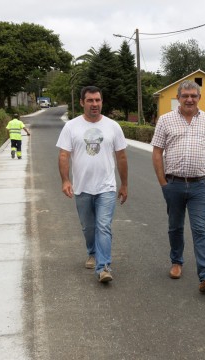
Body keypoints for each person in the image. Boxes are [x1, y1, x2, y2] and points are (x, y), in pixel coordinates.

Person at [151, 80, 205, 293]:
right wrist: (162, 182)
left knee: (200, 228)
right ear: (178, 98)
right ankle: (176, 262)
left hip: (200, 184)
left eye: (193, 95)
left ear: (199, 98)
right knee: (175, 226)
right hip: (173, 183)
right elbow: (156, 152)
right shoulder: (165, 120)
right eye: (185, 96)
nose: (189, 99)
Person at [56, 86, 128, 283]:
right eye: (90, 100)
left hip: (107, 187)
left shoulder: (113, 126)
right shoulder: (71, 127)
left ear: (102, 102)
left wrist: (124, 185)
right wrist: (65, 180)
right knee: (88, 227)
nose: (94, 104)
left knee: (103, 226)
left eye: (98, 100)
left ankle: (103, 267)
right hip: (82, 187)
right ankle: (92, 252)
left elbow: (121, 156)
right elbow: (64, 155)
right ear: (82, 102)